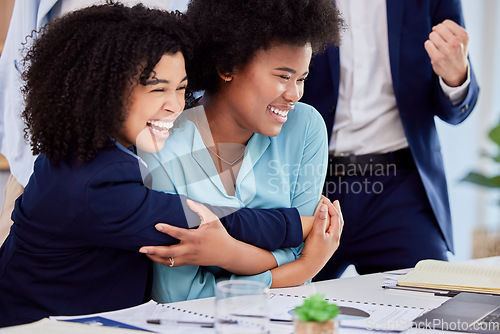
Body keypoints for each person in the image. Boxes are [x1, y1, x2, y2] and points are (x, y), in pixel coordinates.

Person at [0, 3, 328, 327]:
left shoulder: (91, 155)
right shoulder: (97, 182)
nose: (175, 106)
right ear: (107, 89)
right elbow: (215, 222)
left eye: (182, 89)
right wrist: (307, 233)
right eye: (159, 90)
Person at [138, 0, 345, 303]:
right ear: (226, 66)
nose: (295, 94)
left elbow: (304, 258)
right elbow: (180, 294)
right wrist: (300, 267)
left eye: (301, 79)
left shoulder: (306, 128)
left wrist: (227, 253)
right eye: (283, 76)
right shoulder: (161, 144)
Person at [299, 0, 480, 280]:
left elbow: (455, 108)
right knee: (284, 311)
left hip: (400, 190)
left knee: (432, 305)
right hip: (309, 183)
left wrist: (455, 76)